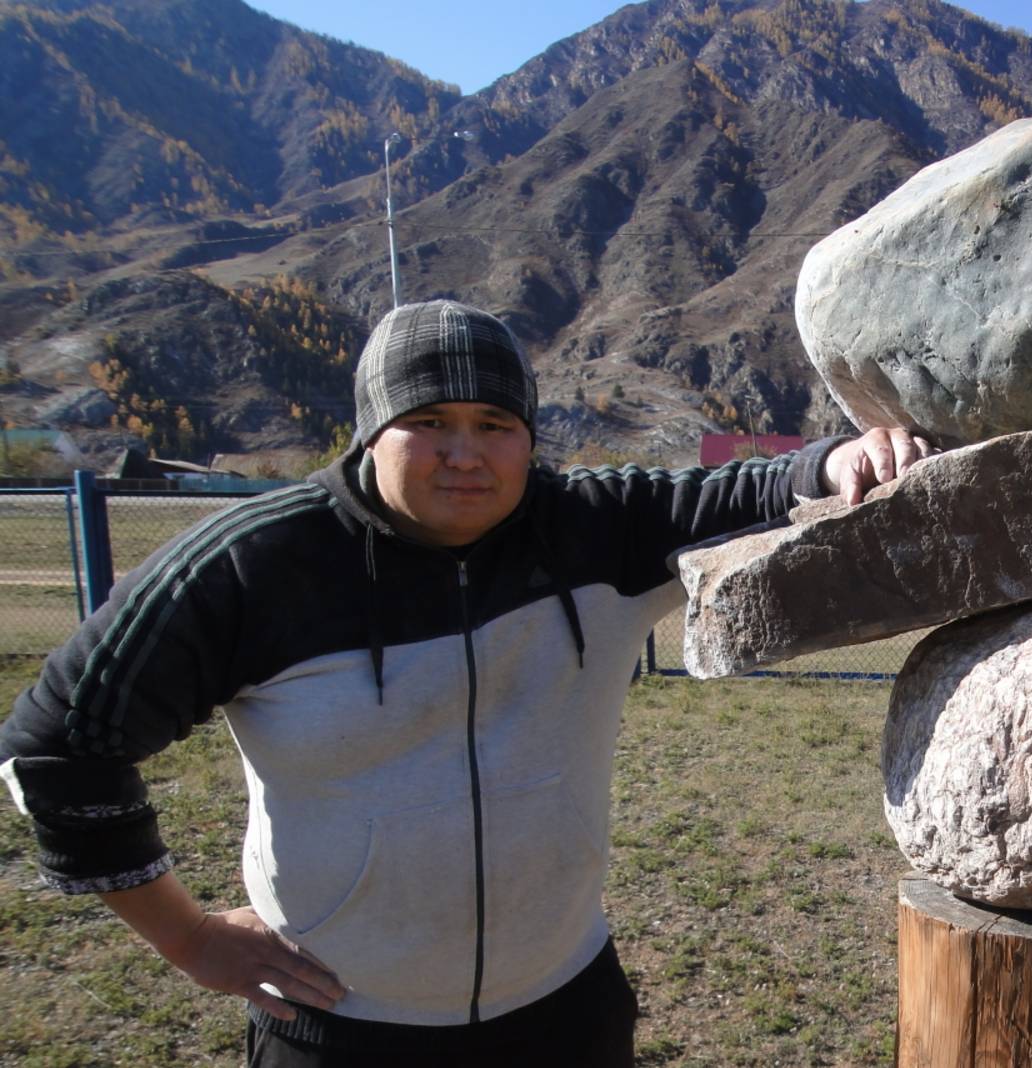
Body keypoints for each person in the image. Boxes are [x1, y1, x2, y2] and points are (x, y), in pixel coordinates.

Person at [0, 300, 933, 1066]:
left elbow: (740, 493)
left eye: (495, 425)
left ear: (528, 437)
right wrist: (189, 938)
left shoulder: (592, 529)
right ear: (371, 432)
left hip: (564, 1010)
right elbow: (56, 747)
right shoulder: (252, 568)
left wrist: (833, 461)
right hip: (341, 1026)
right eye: (428, 423)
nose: (465, 454)